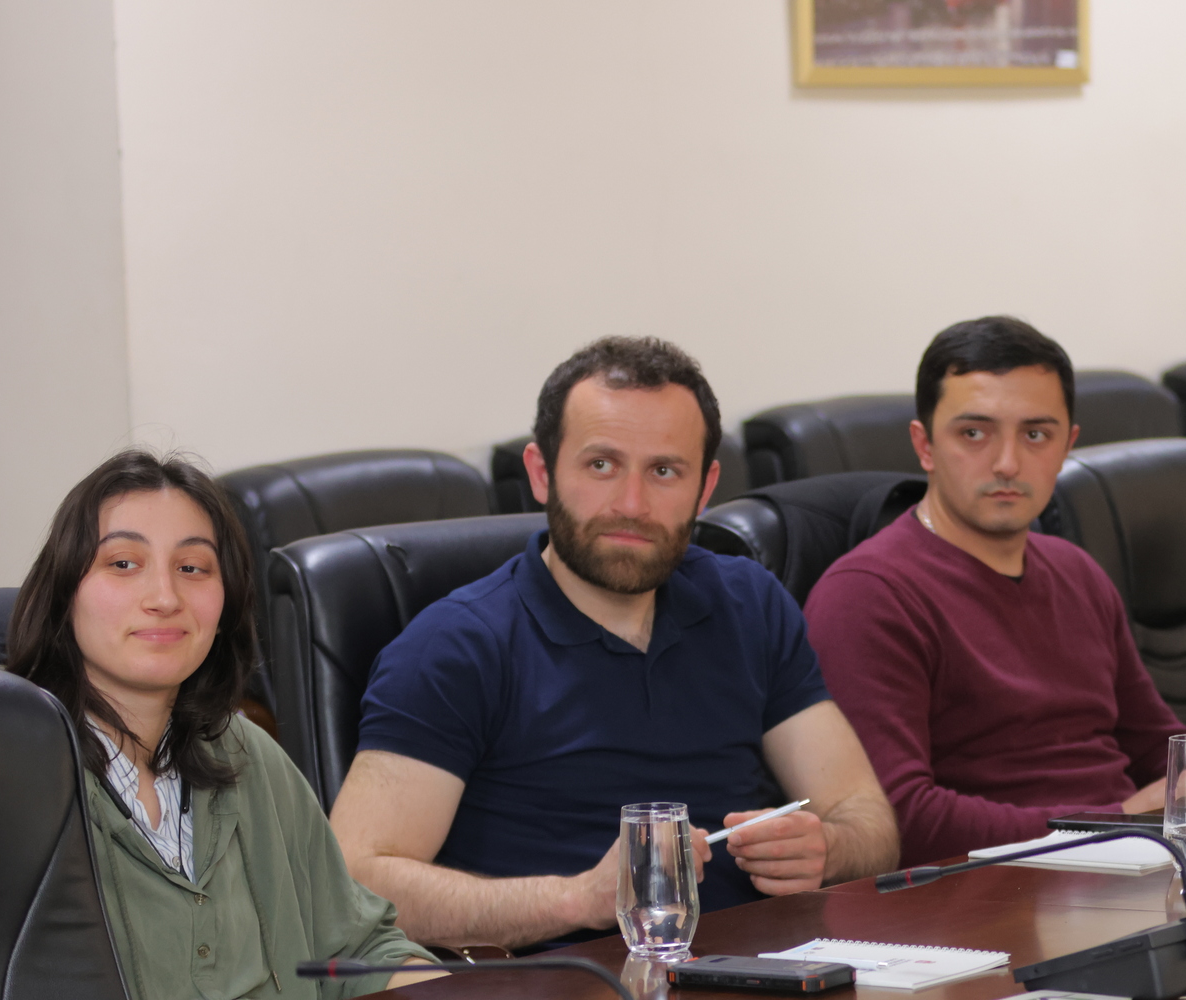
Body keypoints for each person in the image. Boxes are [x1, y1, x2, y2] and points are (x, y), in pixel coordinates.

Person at [329, 336, 899, 949]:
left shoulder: (748, 602)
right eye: (601, 465)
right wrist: (581, 898)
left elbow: (868, 818)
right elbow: (356, 885)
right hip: (562, 992)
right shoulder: (454, 647)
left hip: (767, 972)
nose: (632, 505)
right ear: (542, 473)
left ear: (705, 487)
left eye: (664, 471)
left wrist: (828, 848)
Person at [803, 316, 1186, 866]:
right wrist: (1115, 821)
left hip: (1128, 862)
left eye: (1035, 435)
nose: (1007, 463)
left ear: (1067, 445)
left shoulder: (1077, 571)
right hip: (996, 887)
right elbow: (903, 820)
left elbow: (1154, 745)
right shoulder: (867, 597)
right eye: (974, 433)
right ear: (925, 445)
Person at [7, 451, 440, 1000]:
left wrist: (444, 999)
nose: (164, 597)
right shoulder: (5, 780)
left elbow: (356, 947)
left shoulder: (246, 752)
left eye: (192, 567)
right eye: (124, 563)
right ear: (63, 592)